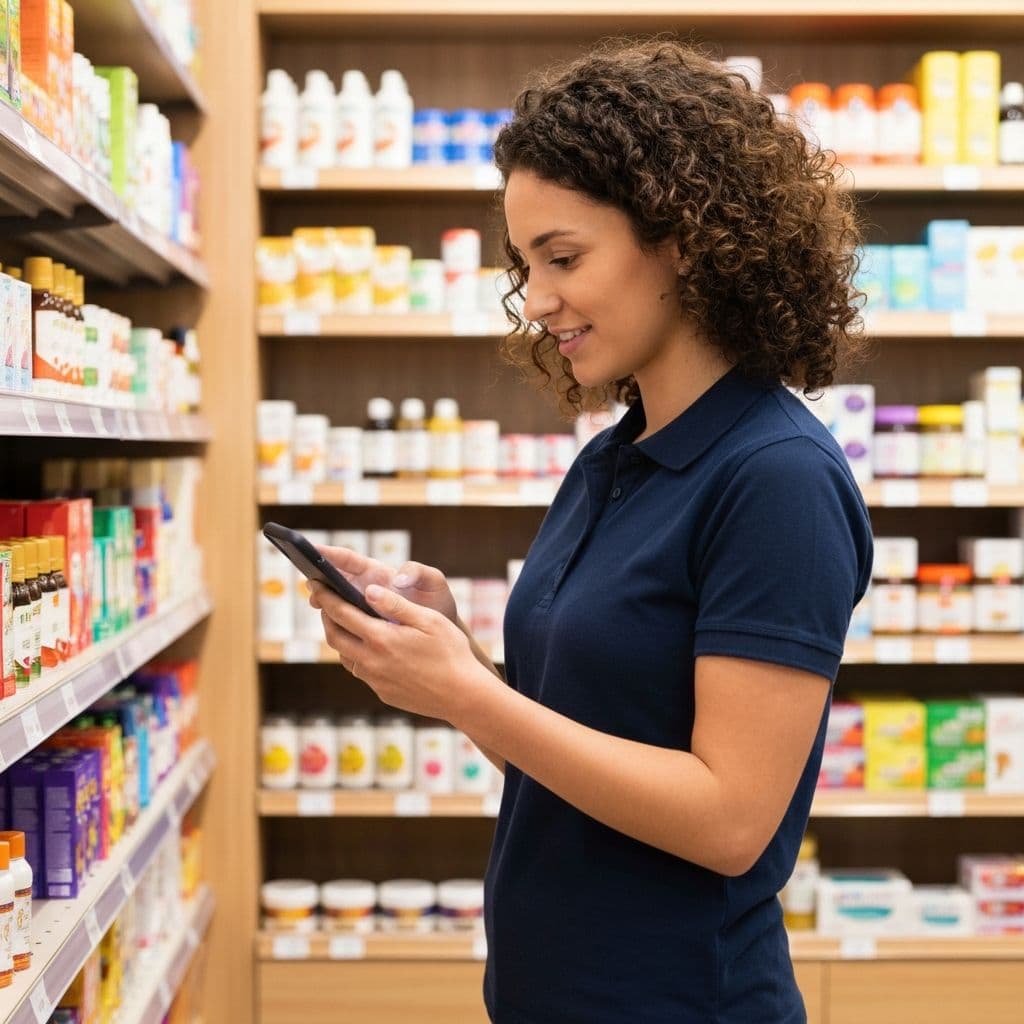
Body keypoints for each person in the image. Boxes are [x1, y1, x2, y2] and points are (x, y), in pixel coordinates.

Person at [309, 38, 873, 1024]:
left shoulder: (775, 476)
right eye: (524, 264)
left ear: (685, 236)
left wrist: (468, 699)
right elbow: (572, 750)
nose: (535, 299)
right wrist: (461, 671)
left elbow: (731, 820)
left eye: (562, 257)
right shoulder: (615, 455)